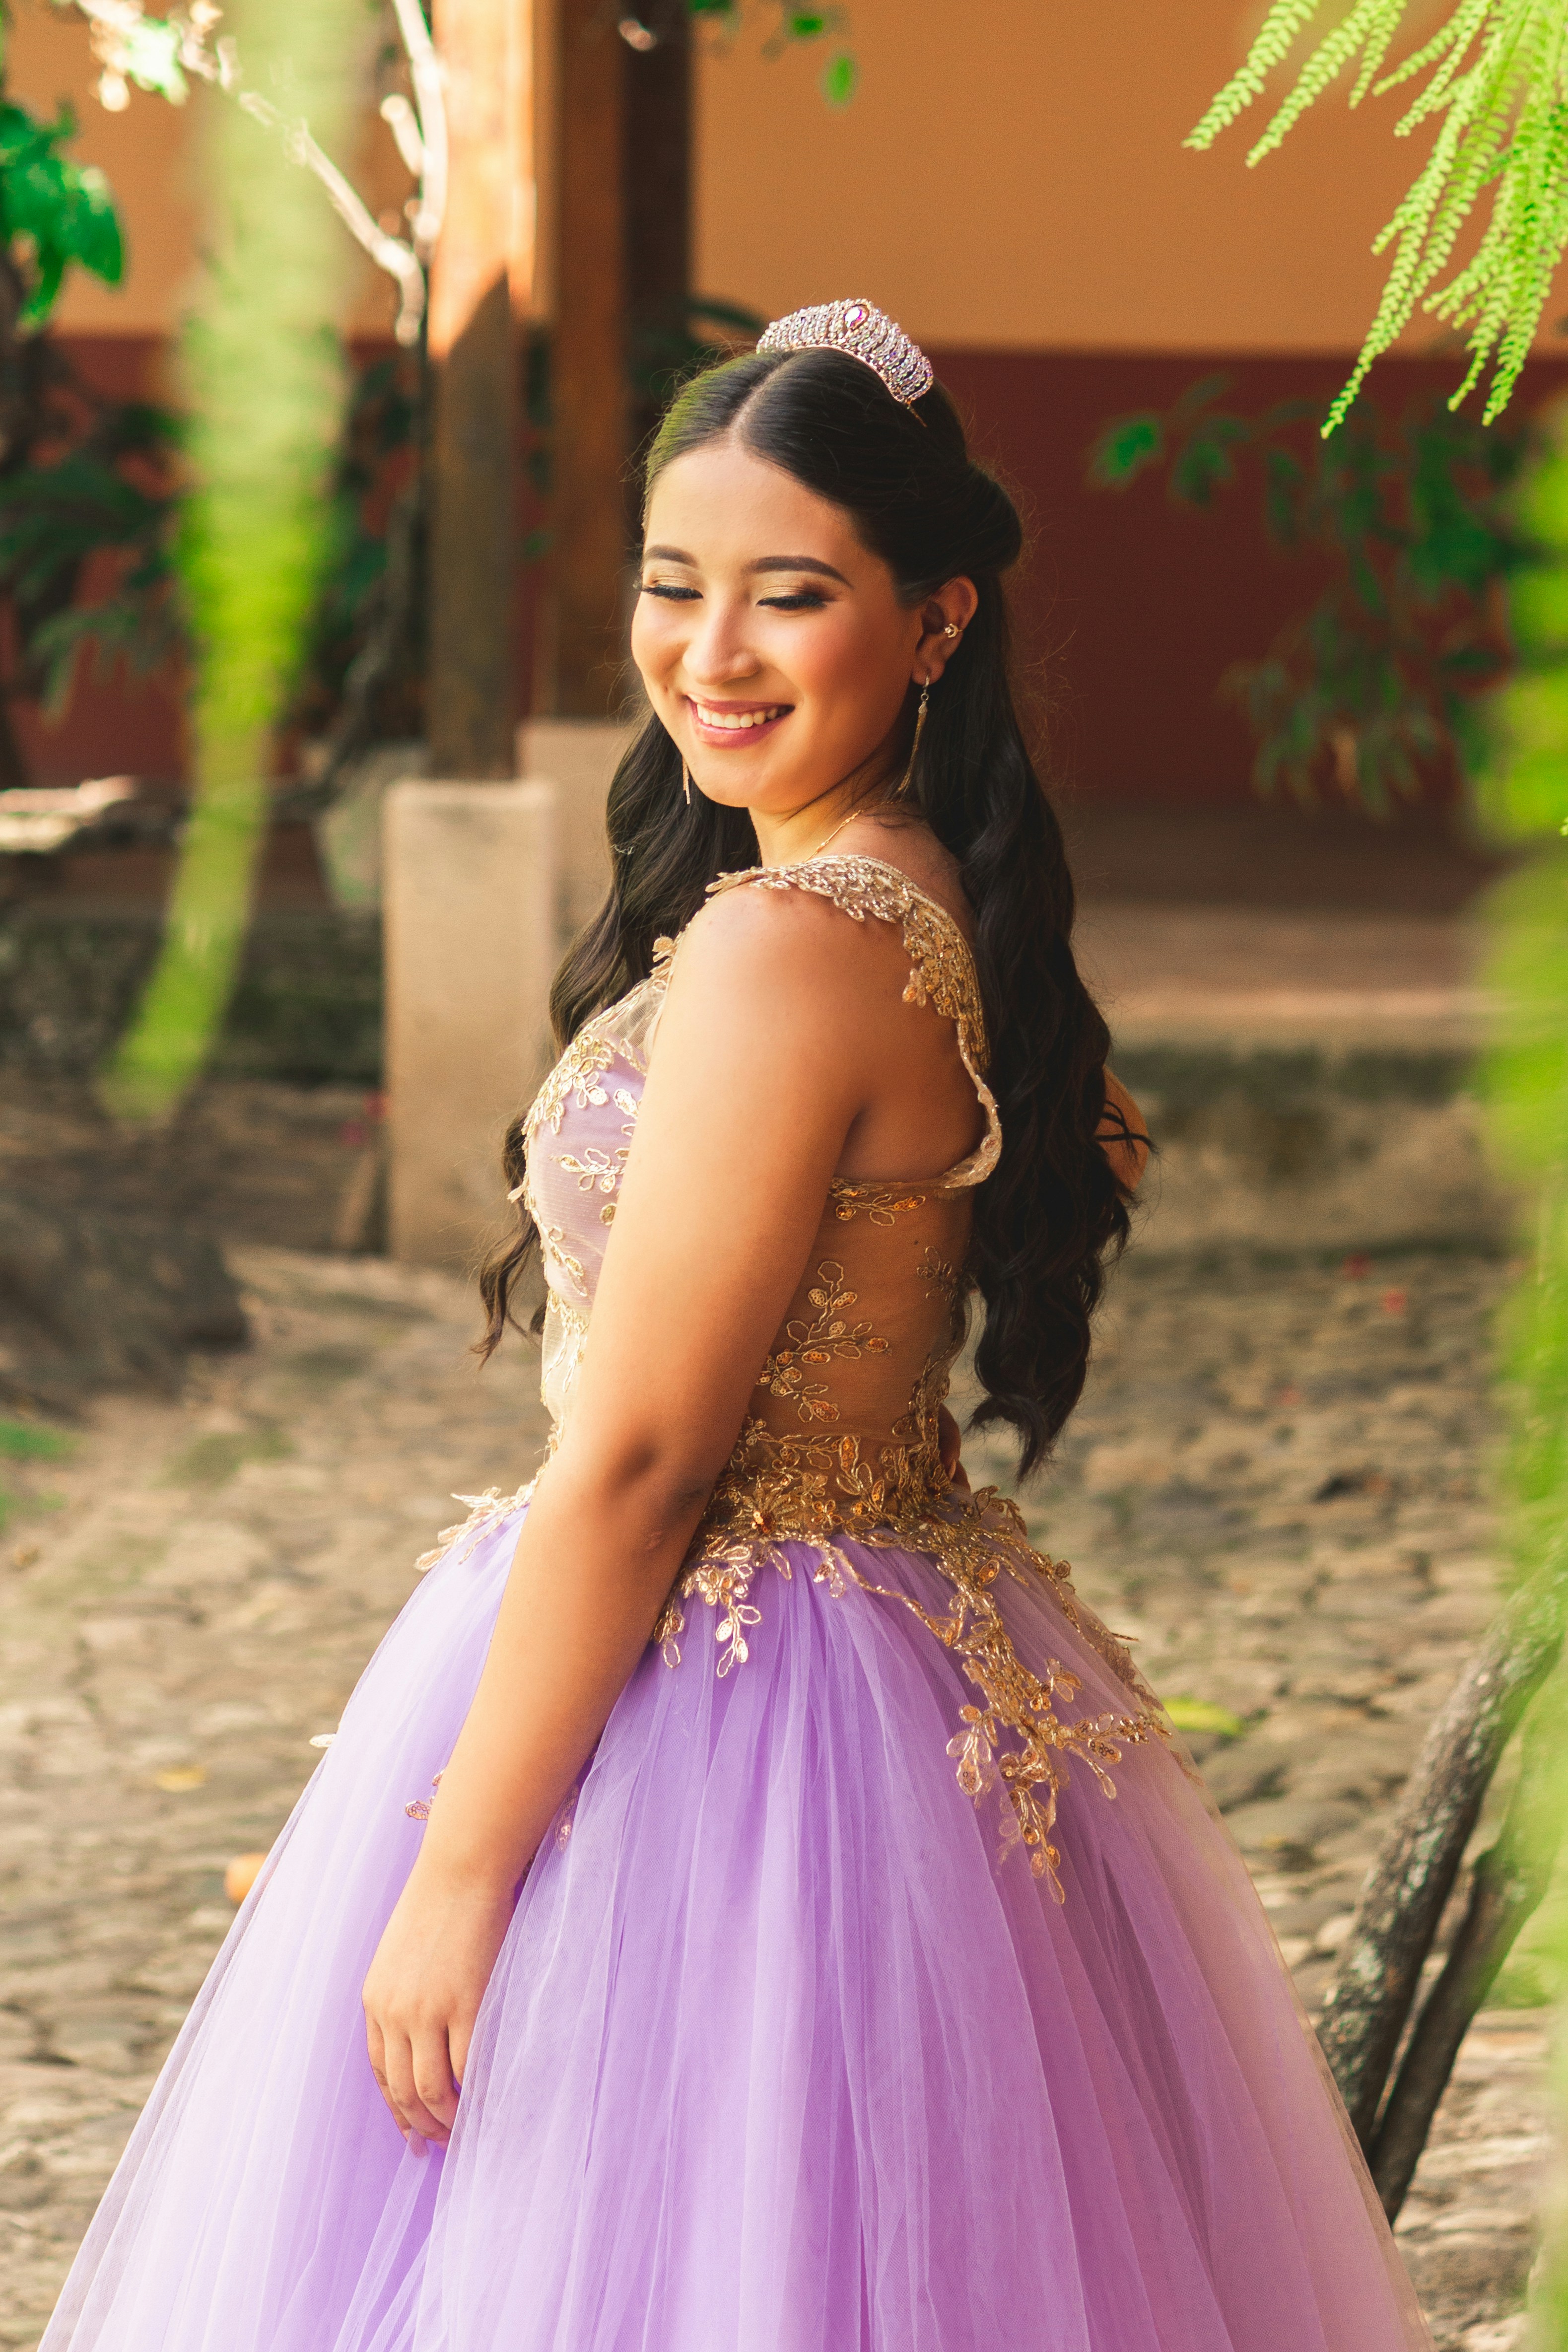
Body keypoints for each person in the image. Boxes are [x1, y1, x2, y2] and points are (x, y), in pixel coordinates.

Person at [43, 300, 1431, 2352]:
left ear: (934, 620)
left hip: (739, 1700)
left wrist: (457, 1877)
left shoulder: (797, 947)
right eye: (672, 588)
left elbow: (641, 1453)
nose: (710, 652)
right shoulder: (886, 890)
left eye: (791, 596)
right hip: (872, 1644)